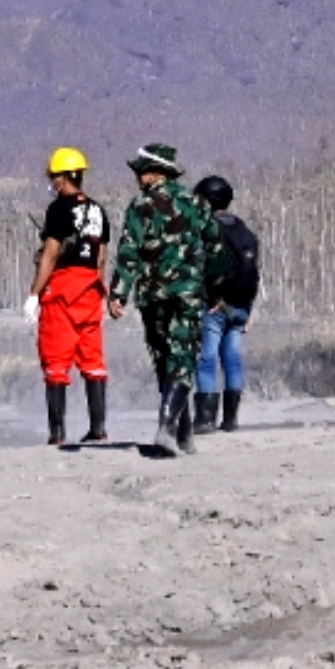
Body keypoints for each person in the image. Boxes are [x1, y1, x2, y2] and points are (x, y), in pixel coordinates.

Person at [106, 143, 218, 457]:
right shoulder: (197, 203)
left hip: (153, 295)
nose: (137, 177)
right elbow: (215, 246)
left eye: (141, 171)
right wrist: (218, 288)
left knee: (165, 358)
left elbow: (129, 252)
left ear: (155, 172)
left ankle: (171, 429)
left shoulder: (139, 206)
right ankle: (177, 430)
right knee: (182, 358)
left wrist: (118, 293)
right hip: (187, 294)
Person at [31, 148, 114, 450]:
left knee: (55, 358)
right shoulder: (98, 211)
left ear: (64, 177)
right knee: (93, 358)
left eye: (54, 176)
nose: (52, 182)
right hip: (91, 289)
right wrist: (101, 292)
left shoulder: (58, 210)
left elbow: (51, 254)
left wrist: (33, 294)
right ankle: (99, 428)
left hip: (63, 290)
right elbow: (101, 258)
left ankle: (57, 433)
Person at [192, 174, 261, 434]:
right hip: (242, 305)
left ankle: (205, 419)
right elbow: (252, 272)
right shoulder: (244, 231)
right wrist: (249, 307)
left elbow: (204, 269)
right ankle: (230, 419)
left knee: (206, 359)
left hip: (215, 305)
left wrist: (209, 298)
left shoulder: (208, 230)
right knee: (232, 358)